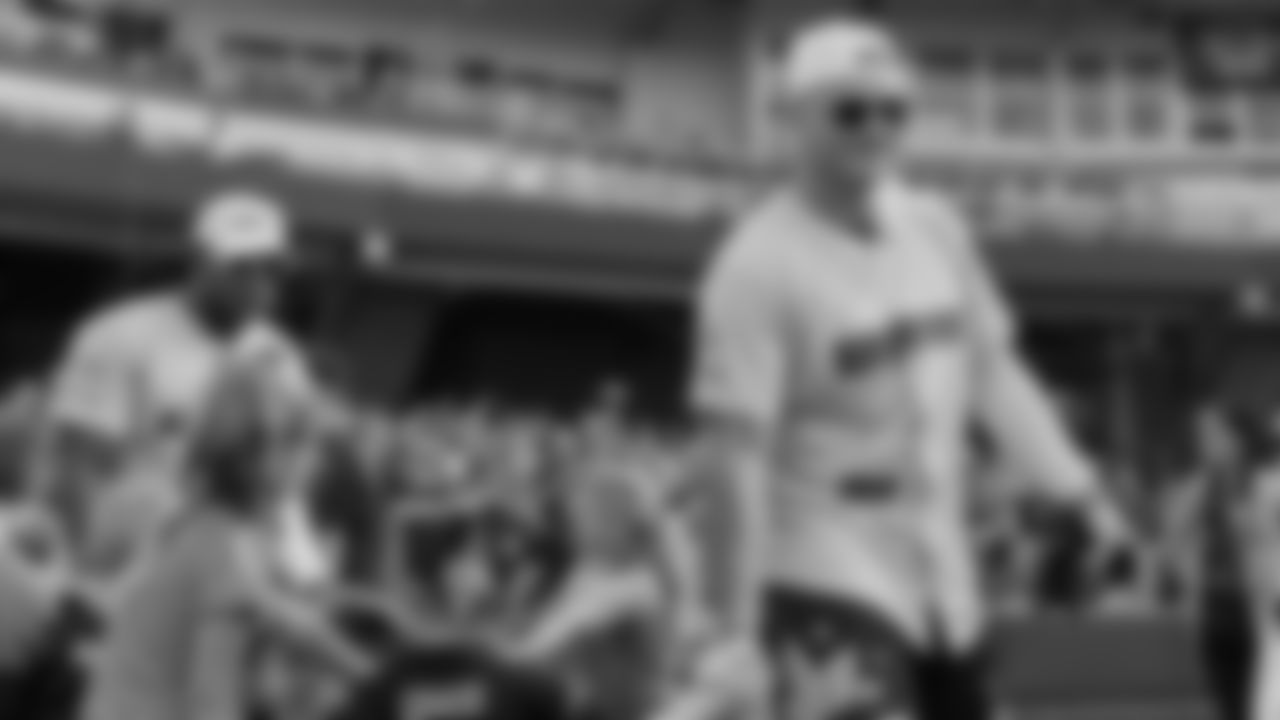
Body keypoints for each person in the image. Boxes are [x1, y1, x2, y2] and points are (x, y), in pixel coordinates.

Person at [679, 16, 1128, 720]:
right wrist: (730, 627)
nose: (876, 126)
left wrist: (1080, 493)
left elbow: (993, 373)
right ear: (793, 117)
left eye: (895, 109)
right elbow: (731, 459)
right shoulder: (753, 267)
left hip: (941, 573)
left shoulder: (936, 227)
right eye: (851, 108)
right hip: (818, 571)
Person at [38, 189, 325, 584]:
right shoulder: (120, 334)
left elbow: (289, 473)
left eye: (271, 269)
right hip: (128, 550)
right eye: (241, 267)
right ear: (199, 261)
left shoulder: (281, 357)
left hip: (226, 552)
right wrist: (88, 570)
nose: (258, 283)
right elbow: (79, 467)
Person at [79, 363, 372, 720]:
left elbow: (286, 619)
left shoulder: (206, 523)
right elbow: (211, 700)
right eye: (306, 444)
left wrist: (369, 673)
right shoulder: (231, 554)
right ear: (261, 457)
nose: (317, 460)